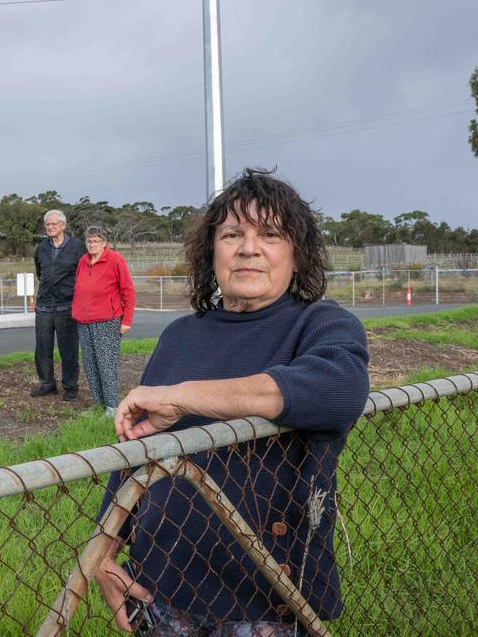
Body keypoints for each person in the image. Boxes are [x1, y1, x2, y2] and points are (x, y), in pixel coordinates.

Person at [94, 169, 369, 635]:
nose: (248, 248)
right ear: (212, 251)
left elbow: (337, 390)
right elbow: (134, 452)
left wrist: (183, 398)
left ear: (297, 256)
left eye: (270, 235)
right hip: (159, 588)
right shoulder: (180, 336)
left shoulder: (319, 325)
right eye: (232, 234)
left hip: (268, 599)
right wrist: (102, 550)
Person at [72, 226, 135, 417]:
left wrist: (127, 320)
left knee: (106, 364)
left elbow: (128, 291)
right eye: (89, 241)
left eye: (96, 241)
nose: (92, 244)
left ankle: (112, 406)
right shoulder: (83, 261)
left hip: (107, 321)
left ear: (104, 243)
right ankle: (98, 403)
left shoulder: (115, 259)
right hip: (84, 321)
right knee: (90, 364)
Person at [32, 209, 86, 400]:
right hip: (44, 307)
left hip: (67, 306)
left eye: (54, 224)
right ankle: (47, 384)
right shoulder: (41, 248)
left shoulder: (78, 247)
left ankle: (70, 387)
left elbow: (85, 273)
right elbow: (40, 272)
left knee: (68, 349)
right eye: (47, 224)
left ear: (63, 225)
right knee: (42, 348)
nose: (50, 227)